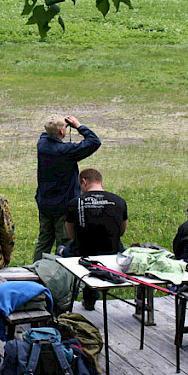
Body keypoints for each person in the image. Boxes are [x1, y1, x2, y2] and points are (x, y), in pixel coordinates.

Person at [33, 114, 101, 262]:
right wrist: (78, 126)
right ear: (62, 132)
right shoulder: (66, 151)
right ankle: (64, 273)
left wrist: (60, 125)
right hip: (64, 205)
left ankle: (35, 271)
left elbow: (48, 133)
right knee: (65, 242)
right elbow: (94, 142)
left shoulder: (42, 144)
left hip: (45, 202)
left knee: (43, 241)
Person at [65, 168, 127, 310]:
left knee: (64, 251)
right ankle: (90, 298)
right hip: (113, 252)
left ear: (84, 182)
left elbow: (72, 234)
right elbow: (122, 231)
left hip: (82, 252)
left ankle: (70, 298)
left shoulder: (75, 203)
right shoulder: (120, 202)